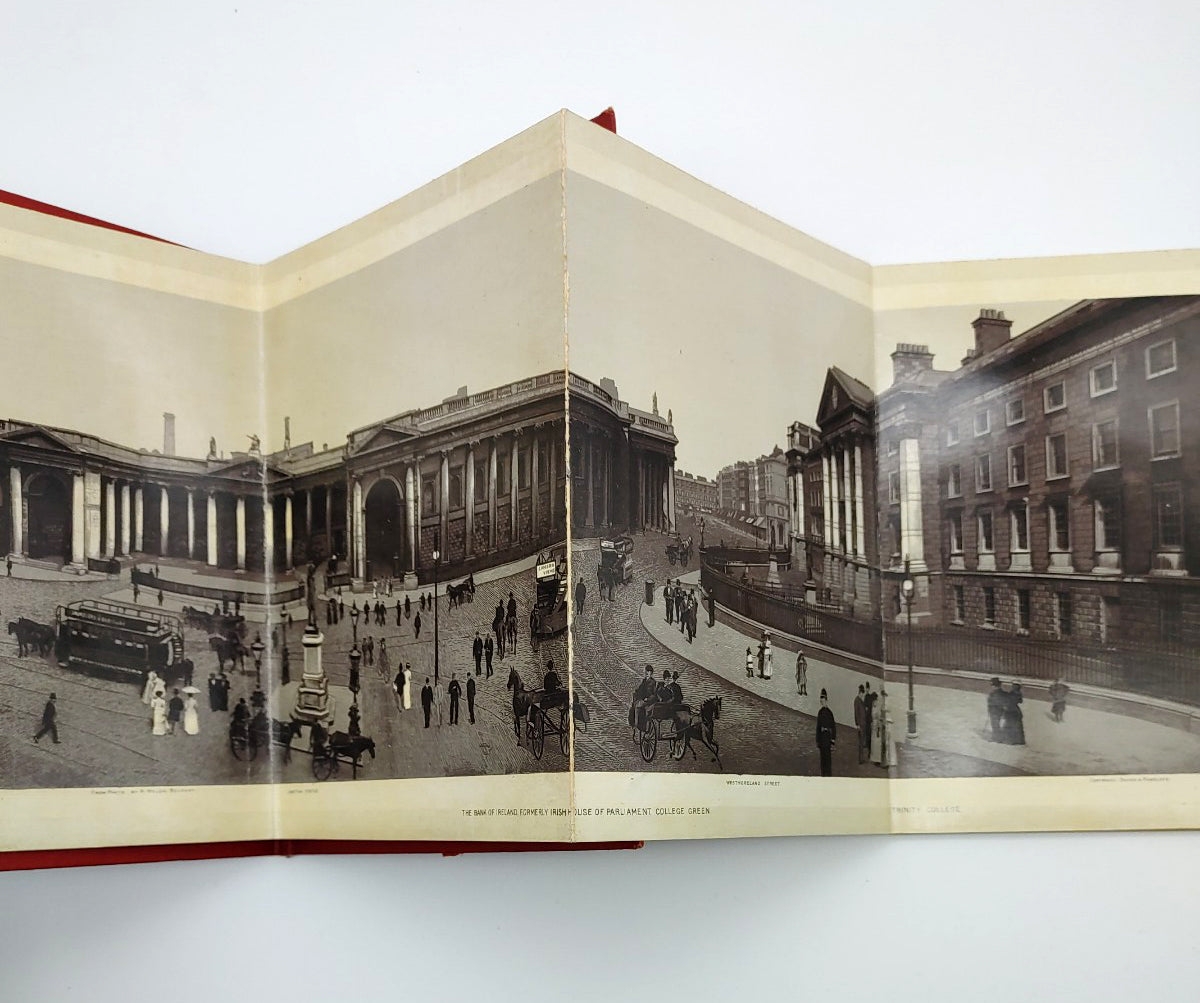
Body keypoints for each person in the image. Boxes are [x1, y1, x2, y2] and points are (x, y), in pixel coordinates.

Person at [816, 689, 837, 777]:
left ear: (826, 700)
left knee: (828, 760)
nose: (822, 702)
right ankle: (823, 776)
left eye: (824, 701)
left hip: (827, 739)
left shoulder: (830, 713)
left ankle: (828, 776)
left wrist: (832, 740)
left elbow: (833, 727)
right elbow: (818, 727)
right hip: (822, 739)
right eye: (821, 701)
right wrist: (817, 740)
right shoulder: (820, 712)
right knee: (822, 760)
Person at [630, 665, 657, 733]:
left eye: (649, 672)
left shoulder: (652, 682)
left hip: (649, 700)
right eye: (647, 671)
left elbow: (654, 694)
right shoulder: (644, 680)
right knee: (635, 704)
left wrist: (647, 699)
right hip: (644, 699)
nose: (647, 673)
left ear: (651, 673)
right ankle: (636, 723)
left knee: (637, 706)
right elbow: (640, 689)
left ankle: (636, 724)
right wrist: (636, 693)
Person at [853, 685, 867, 764]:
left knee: (862, 741)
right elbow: (856, 713)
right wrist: (857, 724)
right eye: (862, 694)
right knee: (861, 742)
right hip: (860, 724)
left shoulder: (860, 700)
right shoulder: (857, 700)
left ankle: (861, 758)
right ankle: (860, 759)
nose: (862, 696)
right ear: (860, 693)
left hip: (863, 723)